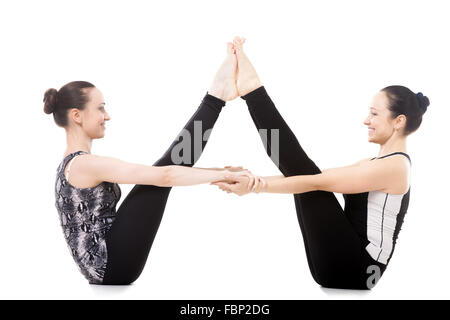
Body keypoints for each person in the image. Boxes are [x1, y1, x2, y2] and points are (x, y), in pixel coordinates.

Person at [213, 37, 429, 290]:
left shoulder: (395, 167)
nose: (366, 120)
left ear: (398, 121)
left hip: (359, 268)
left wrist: (254, 186)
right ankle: (253, 93)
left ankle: (253, 93)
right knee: (304, 175)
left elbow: (315, 181)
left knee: (307, 177)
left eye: (374, 113)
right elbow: (314, 177)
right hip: (341, 266)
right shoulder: (374, 163)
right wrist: (253, 179)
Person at [45, 43, 253, 285]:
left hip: (110, 266)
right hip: (112, 266)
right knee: (162, 172)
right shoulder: (84, 164)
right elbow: (164, 176)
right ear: (77, 115)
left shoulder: (74, 164)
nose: (107, 115)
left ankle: (216, 97)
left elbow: (164, 174)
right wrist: (222, 175)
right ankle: (216, 97)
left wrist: (220, 172)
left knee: (162, 171)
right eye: (100, 108)